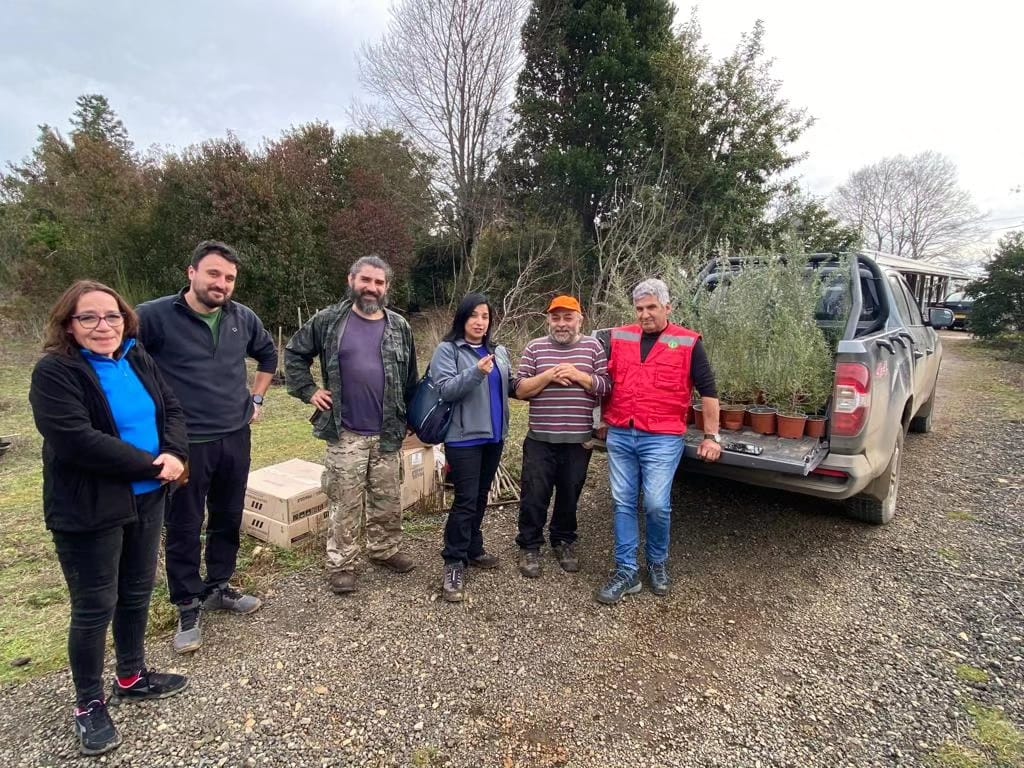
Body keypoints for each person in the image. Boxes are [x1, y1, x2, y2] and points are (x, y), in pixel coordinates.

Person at [29, 281, 190, 756]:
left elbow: (172, 407)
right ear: (68, 324)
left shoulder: (136, 357)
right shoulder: (56, 372)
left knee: (137, 591)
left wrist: (176, 451)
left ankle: (131, 674)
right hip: (90, 506)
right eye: (90, 318)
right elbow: (75, 439)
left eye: (112, 316)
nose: (104, 326)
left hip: (148, 497)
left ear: (126, 320)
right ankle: (87, 704)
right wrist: (152, 463)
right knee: (95, 605)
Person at [137, 241, 277, 653]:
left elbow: (268, 357)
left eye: (229, 277)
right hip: (185, 446)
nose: (221, 283)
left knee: (228, 515)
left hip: (235, 436)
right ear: (192, 273)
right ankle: (187, 603)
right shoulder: (153, 317)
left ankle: (220, 586)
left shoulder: (242, 318)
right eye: (213, 274)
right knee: (183, 524)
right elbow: (123, 361)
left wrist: (257, 399)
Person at [284, 255, 419, 595]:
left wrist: (413, 419)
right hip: (345, 432)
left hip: (388, 432)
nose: (372, 288)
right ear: (352, 280)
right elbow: (294, 353)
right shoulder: (328, 321)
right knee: (345, 502)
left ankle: (384, 549)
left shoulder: (399, 326)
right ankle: (342, 564)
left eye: (379, 282)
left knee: (388, 499)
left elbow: (411, 378)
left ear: (387, 288)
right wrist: (310, 390)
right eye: (366, 281)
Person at [595, 278, 723, 605]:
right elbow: (604, 381)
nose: (645, 314)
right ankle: (626, 571)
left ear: (668, 307)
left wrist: (711, 436)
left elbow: (709, 392)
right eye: (639, 308)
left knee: (655, 503)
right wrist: (602, 421)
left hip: (663, 436)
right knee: (623, 502)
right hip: (622, 433)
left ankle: (657, 562)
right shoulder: (619, 337)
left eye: (652, 307)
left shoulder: (688, 342)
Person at [513, 295, 610, 578]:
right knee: (534, 494)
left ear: (580, 320)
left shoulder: (594, 347)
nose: (562, 323)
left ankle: (563, 540)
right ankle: (529, 545)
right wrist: (549, 376)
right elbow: (519, 389)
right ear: (548, 320)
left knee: (570, 494)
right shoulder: (535, 348)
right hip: (541, 437)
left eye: (568, 317)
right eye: (556, 318)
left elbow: (605, 386)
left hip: (579, 440)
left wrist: (579, 376)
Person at [430, 293, 515, 602]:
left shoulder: (499, 350)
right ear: (462, 319)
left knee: (480, 497)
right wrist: (476, 371)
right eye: (474, 316)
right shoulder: (448, 350)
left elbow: (511, 385)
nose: (480, 322)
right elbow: (445, 390)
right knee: (465, 500)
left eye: (485, 317)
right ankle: (453, 561)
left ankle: (473, 548)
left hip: (494, 436)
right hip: (463, 438)